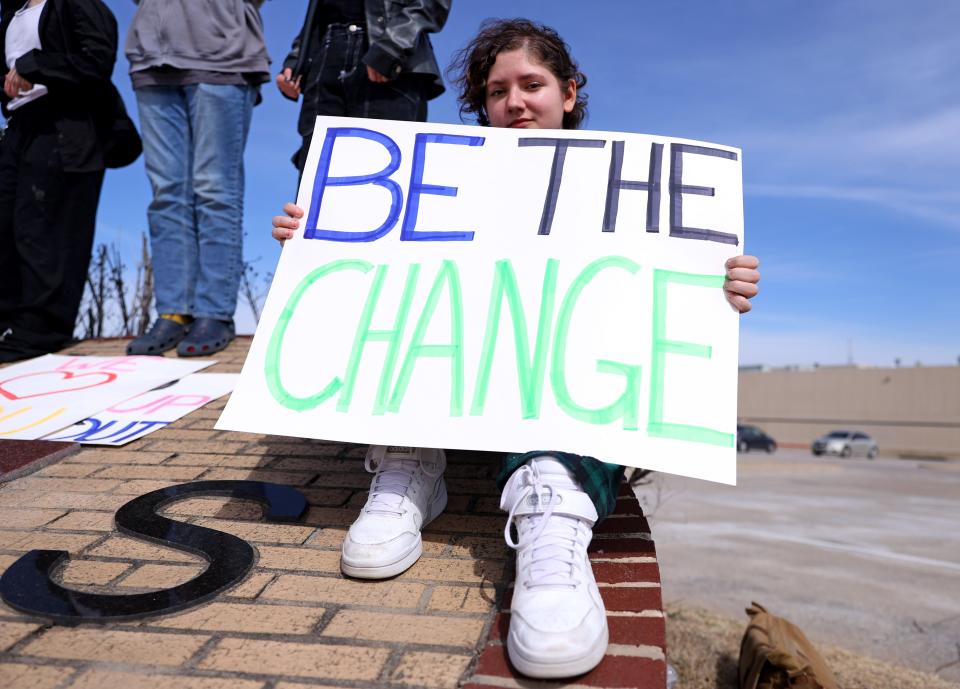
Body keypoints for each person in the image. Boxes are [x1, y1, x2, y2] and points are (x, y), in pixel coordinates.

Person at [272, 18, 761, 679]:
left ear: (569, 92)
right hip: (454, 390)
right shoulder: (443, 184)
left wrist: (714, 286)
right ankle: (408, 462)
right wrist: (322, 233)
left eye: (532, 84)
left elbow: (643, 314)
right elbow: (380, 292)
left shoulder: (626, 198)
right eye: (497, 91)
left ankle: (554, 509)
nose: (515, 102)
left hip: (553, 410)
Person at [124, 0, 270, 358]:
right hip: (152, 56)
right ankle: (173, 310)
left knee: (215, 189)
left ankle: (213, 312)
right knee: (166, 193)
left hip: (221, 52)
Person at [0, 0, 136, 363]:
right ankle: (9, 323)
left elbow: (97, 62)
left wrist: (34, 66)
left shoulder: (77, 4)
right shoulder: (11, 12)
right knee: (7, 224)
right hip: (19, 125)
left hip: (67, 126)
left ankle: (40, 330)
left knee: (43, 228)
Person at [277, 0, 451, 173]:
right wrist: (296, 60)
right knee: (317, 173)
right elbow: (316, 17)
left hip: (390, 53)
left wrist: (393, 44)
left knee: (380, 166)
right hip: (326, 56)